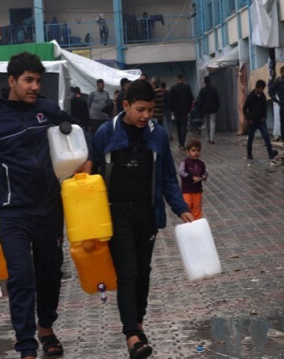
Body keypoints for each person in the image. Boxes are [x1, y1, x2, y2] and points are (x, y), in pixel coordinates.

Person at [0, 52, 91, 359]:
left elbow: (78, 133)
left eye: (37, 80)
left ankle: (46, 327)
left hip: (50, 207)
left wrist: (87, 159)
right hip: (12, 212)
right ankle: (26, 346)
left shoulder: (48, 109)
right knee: (21, 277)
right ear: (12, 81)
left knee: (50, 271)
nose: (34, 86)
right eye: (28, 80)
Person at [91, 79, 194, 359]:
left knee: (143, 272)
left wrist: (180, 207)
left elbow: (167, 177)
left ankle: (138, 322)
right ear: (125, 106)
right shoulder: (105, 133)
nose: (146, 116)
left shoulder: (157, 135)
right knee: (128, 271)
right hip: (115, 213)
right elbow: (89, 174)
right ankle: (132, 336)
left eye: (150, 110)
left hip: (147, 213)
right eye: (140, 110)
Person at [243, 80, 278, 160]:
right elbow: (244, 108)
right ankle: (249, 154)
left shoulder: (262, 96)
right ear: (257, 88)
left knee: (266, 136)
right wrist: (248, 119)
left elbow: (264, 107)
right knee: (251, 138)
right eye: (261, 89)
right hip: (253, 121)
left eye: (263, 89)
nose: (261, 90)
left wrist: (264, 116)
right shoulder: (250, 96)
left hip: (261, 121)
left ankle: (270, 153)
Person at [179, 138, 208, 219]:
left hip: (197, 190)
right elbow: (182, 172)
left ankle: (197, 223)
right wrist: (191, 177)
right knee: (187, 207)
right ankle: (188, 224)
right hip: (187, 190)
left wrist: (204, 176)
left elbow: (205, 171)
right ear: (188, 152)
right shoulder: (185, 162)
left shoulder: (201, 163)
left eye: (198, 151)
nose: (196, 153)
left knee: (197, 207)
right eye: (193, 150)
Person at [170, 74, 194, 150]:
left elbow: (171, 100)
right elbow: (191, 98)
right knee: (184, 126)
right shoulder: (187, 87)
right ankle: (183, 143)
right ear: (183, 78)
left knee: (178, 126)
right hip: (185, 110)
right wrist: (189, 108)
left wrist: (172, 109)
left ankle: (180, 143)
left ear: (177, 79)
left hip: (177, 110)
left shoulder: (173, 88)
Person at [197, 76, 220, 144]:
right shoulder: (214, 89)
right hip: (213, 109)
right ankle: (212, 138)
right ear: (210, 81)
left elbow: (200, 100)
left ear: (204, 81)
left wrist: (200, 108)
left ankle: (208, 137)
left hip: (205, 109)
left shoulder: (202, 90)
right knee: (212, 123)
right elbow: (217, 99)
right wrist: (217, 107)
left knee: (207, 123)